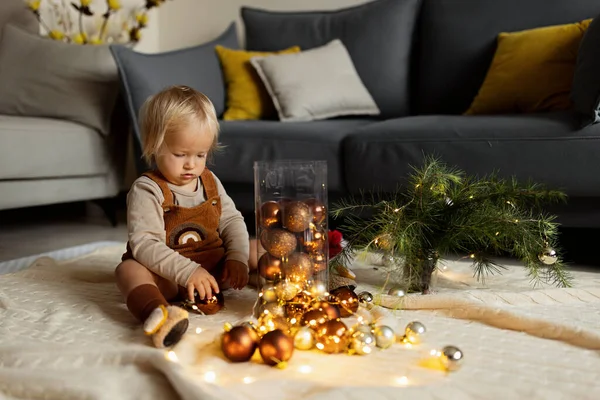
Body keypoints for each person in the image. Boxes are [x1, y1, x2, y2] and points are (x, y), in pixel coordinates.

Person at [115, 85, 252, 348]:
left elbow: (232, 221)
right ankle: (159, 314)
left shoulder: (210, 181)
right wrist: (188, 272)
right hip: (168, 277)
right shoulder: (147, 189)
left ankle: (291, 283)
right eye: (180, 155)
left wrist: (237, 259)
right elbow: (144, 245)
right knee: (128, 270)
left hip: (214, 268)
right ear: (154, 146)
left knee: (255, 248)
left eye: (200, 155)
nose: (191, 164)